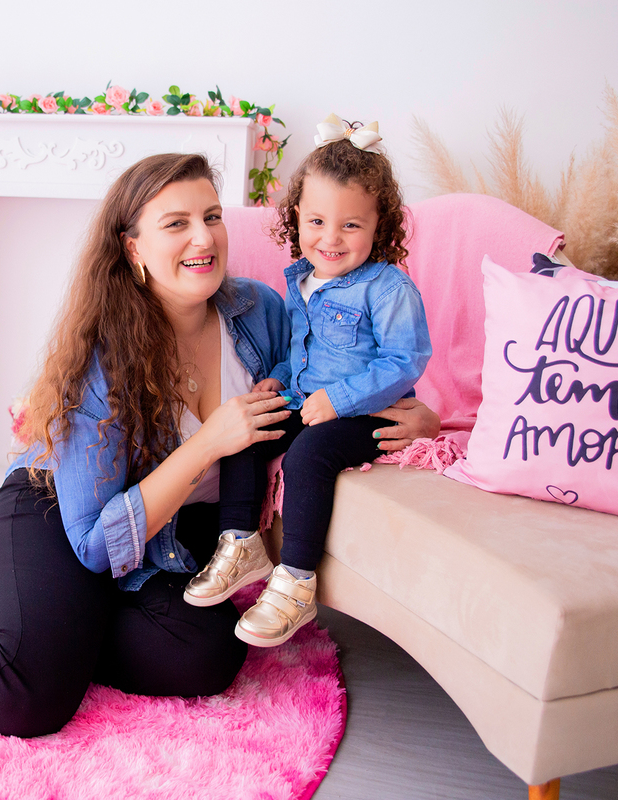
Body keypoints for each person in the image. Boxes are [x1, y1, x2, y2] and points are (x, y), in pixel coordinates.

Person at [0, 152, 439, 738]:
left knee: (208, 659)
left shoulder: (262, 313)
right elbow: (95, 542)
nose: (206, 238)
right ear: (133, 247)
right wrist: (210, 442)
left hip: (165, 538)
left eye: (213, 217)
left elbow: (346, 378)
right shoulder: (104, 357)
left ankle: (29, 625)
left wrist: (421, 421)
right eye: (177, 223)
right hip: (58, 518)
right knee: (29, 698)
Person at [183, 117, 432, 649]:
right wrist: (276, 381)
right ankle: (241, 541)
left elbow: (405, 360)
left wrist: (338, 400)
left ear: (379, 224)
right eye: (317, 221)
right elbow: (305, 352)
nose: (331, 239)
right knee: (249, 430)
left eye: (351, 226)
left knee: (307, 456)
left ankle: (296, 581)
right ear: (296, 216)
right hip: (306, 399)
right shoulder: (300, 278)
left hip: (367, 413)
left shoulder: (387, 288)